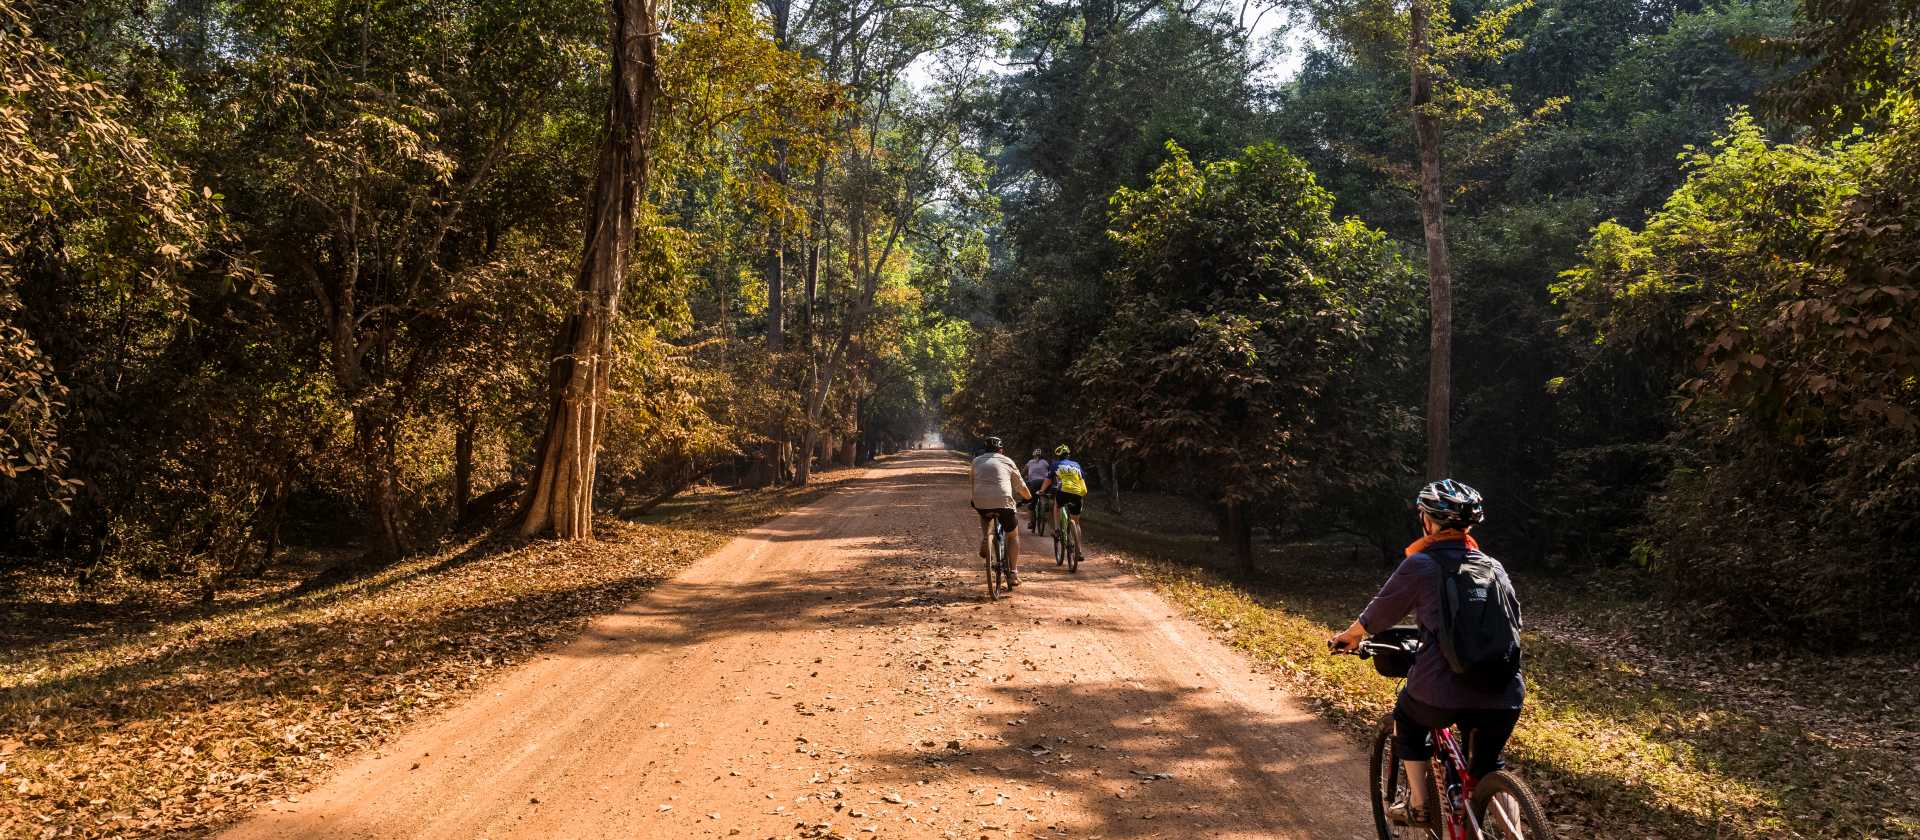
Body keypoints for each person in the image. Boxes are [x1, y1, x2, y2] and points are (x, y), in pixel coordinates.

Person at [1327, 479, 1524, 830]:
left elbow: (1380, 614)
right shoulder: (1494, 567)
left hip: (1442, 692)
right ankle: (1514, 830)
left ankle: (1418, 805)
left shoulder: (1422, 565)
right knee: (1491, 765)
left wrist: (1349, 637)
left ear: (1428, 521)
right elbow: (1514, 620)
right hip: (1505, 691)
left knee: (1408, 713)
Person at [970, 436, 1033, 586]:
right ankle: (1012, 573)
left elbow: (973, 482)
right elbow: (1020, 485)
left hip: (981, 500)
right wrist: (1028, 497)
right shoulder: (1007, 461)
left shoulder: (976, 461)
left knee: (983, 513)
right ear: (1001, 450)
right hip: (1003, 501)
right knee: (1012, 535)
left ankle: (986, 537)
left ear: (984, 450)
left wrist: (975, 499)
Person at [1038, 445, 1088, 563]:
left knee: (1057, 505)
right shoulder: (1076, 465)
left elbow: (1049, 479)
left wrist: (1042, 490)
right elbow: (1082, 479)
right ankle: (1079, 551)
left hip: (1064, 491)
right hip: (1078, 493)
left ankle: (1056, 529)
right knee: (1076, 522)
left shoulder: (1056, 464)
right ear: (1069, 455)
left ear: (1058, 456)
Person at [1023, 448, 1052, 529]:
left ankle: (1031, 522)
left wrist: (1024, 477)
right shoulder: (1045, 462)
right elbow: (1050, 472)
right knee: (1044, 495)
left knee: (1032, 501)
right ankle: (1044, 511)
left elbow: (1023, 472)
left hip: (1034, 483)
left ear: (1033, 455)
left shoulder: (1030, 462)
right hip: (1045, 483)